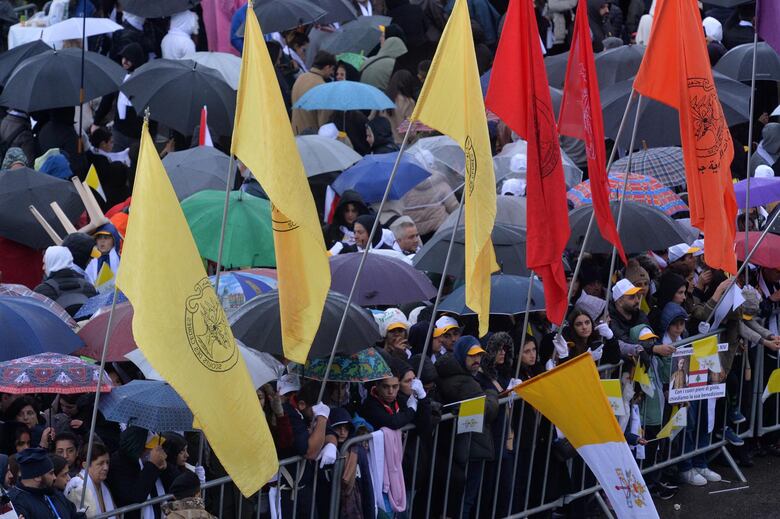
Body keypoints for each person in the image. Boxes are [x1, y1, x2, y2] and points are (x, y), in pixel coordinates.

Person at [106, 426, 174, 519]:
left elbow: (176, 482)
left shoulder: (153, 462)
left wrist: (166, 468)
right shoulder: (119, 464)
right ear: (138, 447)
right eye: (150, 447)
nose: (155, 450)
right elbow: (136, 496)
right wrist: (152, 465)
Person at [93, 43, 146, 153]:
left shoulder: (145, 80)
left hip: (138, 134)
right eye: (123, 57)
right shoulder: (119, 77)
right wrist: (96, 122)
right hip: (119, 131)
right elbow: (107, 100)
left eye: (129, 58)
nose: (125, 61)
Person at [7, 447, 81, 518]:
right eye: (51, 473)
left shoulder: (54, 494)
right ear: (37, 477)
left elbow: (74, 515)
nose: (54, 477)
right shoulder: (15, 502)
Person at [34, 246, 98, 317]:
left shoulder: (42, 291)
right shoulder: (88, 287)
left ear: (51, 262)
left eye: (44, 263)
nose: (43, 267)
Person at [64, 442, 116, 518]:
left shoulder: (103, 484)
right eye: (101, 463)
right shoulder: (76, 487)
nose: (106, 468)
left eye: (107, 463)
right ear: (85, 465)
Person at [291, 51, 337, 134]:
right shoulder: (323, 88)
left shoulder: (301, 78)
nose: (332, 73)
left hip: (295, 132)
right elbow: (324, 124)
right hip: (312, 136)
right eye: (332, 69)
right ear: (327, 67)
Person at [608, 278, 650, 356]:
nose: (637, 300)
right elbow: (625, 340)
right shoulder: (610, 320)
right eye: (632, 297)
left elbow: (649, 338)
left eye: (637, 296)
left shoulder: (639, 314)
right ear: (620, 302)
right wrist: (652, 348)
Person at [384, 70, 417, 144]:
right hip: (401, 144)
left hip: (383, 144)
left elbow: (371, 118)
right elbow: (410, 131)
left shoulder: (383, 98)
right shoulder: (408, 102)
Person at [85, 224, 122, 289]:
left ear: (114, 240)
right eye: (99, 238)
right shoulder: (90, 261)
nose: (102, 241)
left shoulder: (121, 260)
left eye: (106, 238)